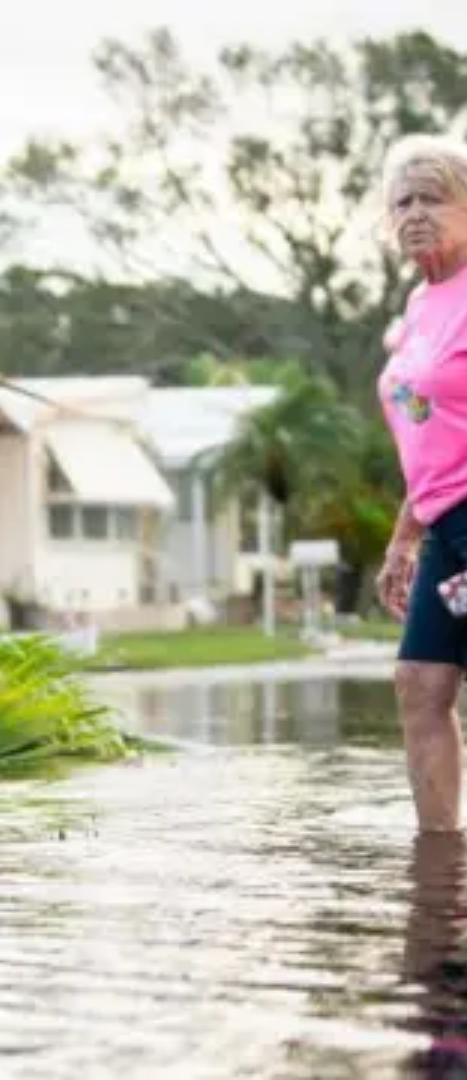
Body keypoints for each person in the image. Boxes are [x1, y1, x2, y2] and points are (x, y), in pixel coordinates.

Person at [376, 133, 467, 833]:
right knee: (421, 683)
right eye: (402, 201)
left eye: (431, 197)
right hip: (444, 523)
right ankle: (441, 862)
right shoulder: (417, 308)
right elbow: (428, 432)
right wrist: (403, 539)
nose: (414, 213)